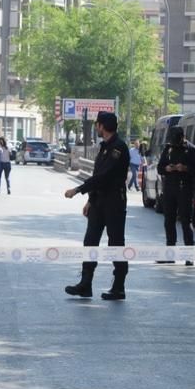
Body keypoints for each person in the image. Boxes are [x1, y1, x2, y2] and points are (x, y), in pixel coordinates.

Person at [63, 111, 130, 300]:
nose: (96, 127)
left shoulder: (119, 148)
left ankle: (119, 287)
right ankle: (85, 284)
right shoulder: (104, 147)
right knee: (90, 241)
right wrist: (90, 201)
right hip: (99, 201)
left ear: (102, 126)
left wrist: (78, 190)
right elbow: (97, 176)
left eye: (97, 124)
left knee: (116, 243)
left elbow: (105, 177)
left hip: (114, 202)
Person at [156, 127, 195, 266]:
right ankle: (170, 254)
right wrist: (167, 169)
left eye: (178, 140)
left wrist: (185, 168)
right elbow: (159, 167)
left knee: (185, 221)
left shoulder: (192, 150)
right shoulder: (168, 149)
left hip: (185, 189)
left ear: (183, 137)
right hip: (169, 188)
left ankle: (189, 255)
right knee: (168, 220)